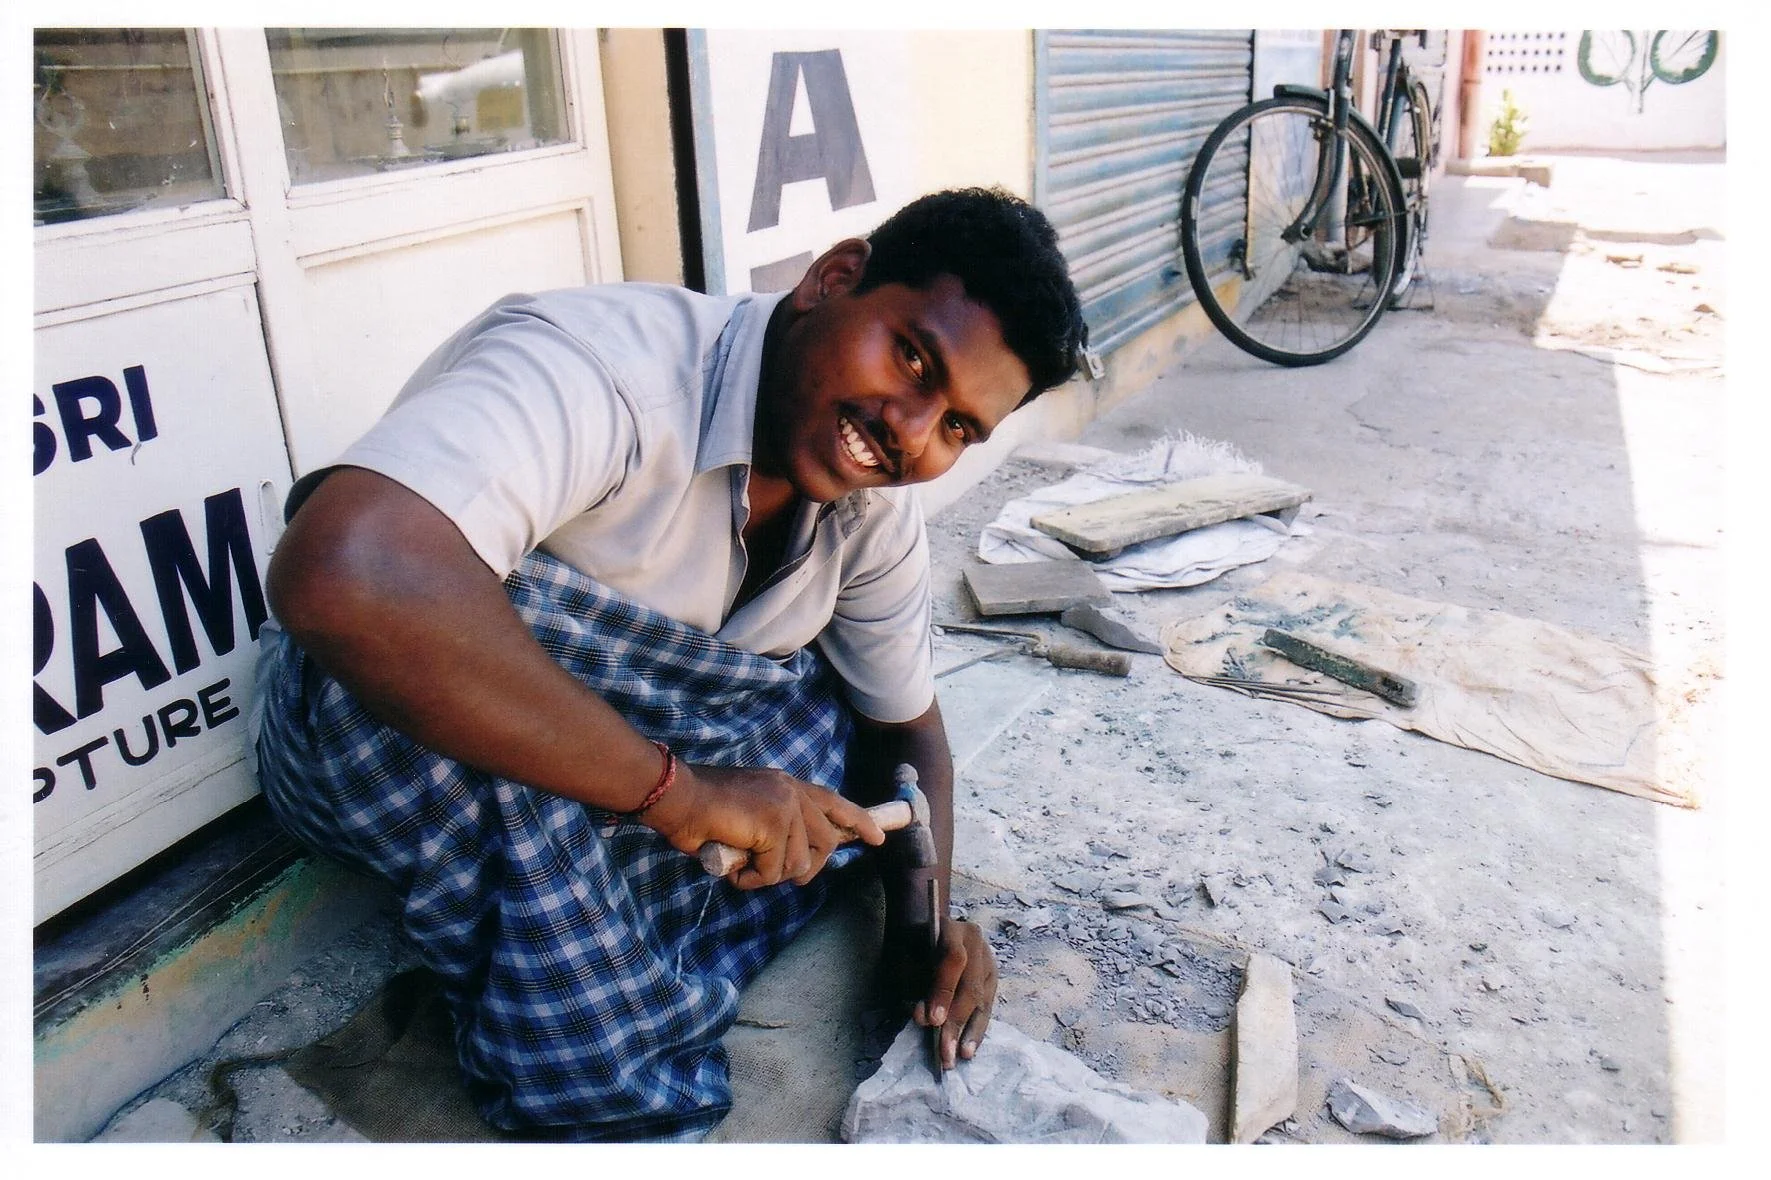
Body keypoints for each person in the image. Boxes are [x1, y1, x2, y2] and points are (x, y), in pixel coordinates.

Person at [251, 186, 1087, 1140]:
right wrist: (681, 797)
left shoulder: (870, 507)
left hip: (636, 741)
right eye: (910, 356)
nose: (909, 428)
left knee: (823, 722)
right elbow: (344, 575)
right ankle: (604, 985)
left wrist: (920, 922)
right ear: (835, 279)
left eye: (956, 428)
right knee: (486, 663)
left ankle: (590, 898)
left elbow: (903, 730)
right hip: (374, 718)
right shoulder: (600, 369)